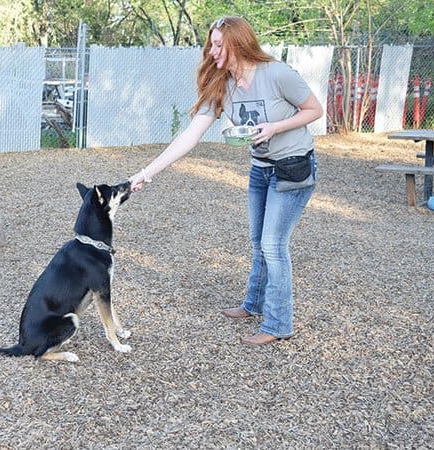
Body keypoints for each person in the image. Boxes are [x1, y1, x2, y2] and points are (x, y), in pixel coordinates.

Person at [129, 16, 323, 346]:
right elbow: (189, 137)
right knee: (257, 240)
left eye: (219, 44)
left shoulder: (276, 74)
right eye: (211, 44)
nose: (212, 50)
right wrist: (146, 173)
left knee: (273, 245)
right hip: (261, 168)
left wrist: (276, 127)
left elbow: (314, 110)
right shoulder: (222, 84)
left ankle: (279, 324)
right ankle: (253, 304)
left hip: (293, 167)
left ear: (238, 42)